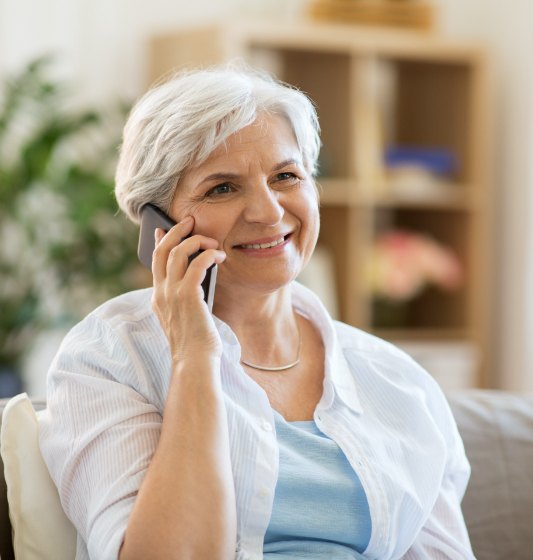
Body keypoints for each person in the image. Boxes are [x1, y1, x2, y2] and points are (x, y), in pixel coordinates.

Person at [39, 63, 475, 560]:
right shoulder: (111, 357)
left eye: (286, 176)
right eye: (222, 188)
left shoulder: (398, 381)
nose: (268, 212)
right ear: (157, 224)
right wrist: (194, 358)